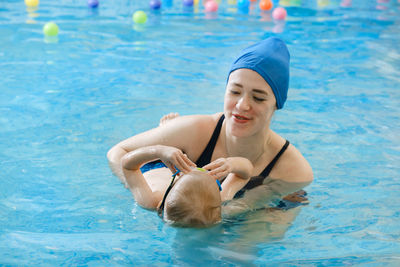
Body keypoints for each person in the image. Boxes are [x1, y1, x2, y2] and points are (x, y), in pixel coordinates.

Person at [108, 36, 313, 215]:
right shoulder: (196, 131)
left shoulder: (293, 171)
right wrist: (145, 191)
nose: (242, 105)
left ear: (276, 105)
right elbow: (118, 151)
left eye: (258, 98)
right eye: (234, 92)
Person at [121, 144, 253, 227]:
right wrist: (231, 164)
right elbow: (245, 173)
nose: (193, 168)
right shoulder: (222, 199)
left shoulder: (150, 200)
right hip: (171, 162)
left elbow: (128, 165)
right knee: (178, 151)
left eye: (182, 173)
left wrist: (159, 151)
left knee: (172, 146)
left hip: (150, 166)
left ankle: (168, 135)